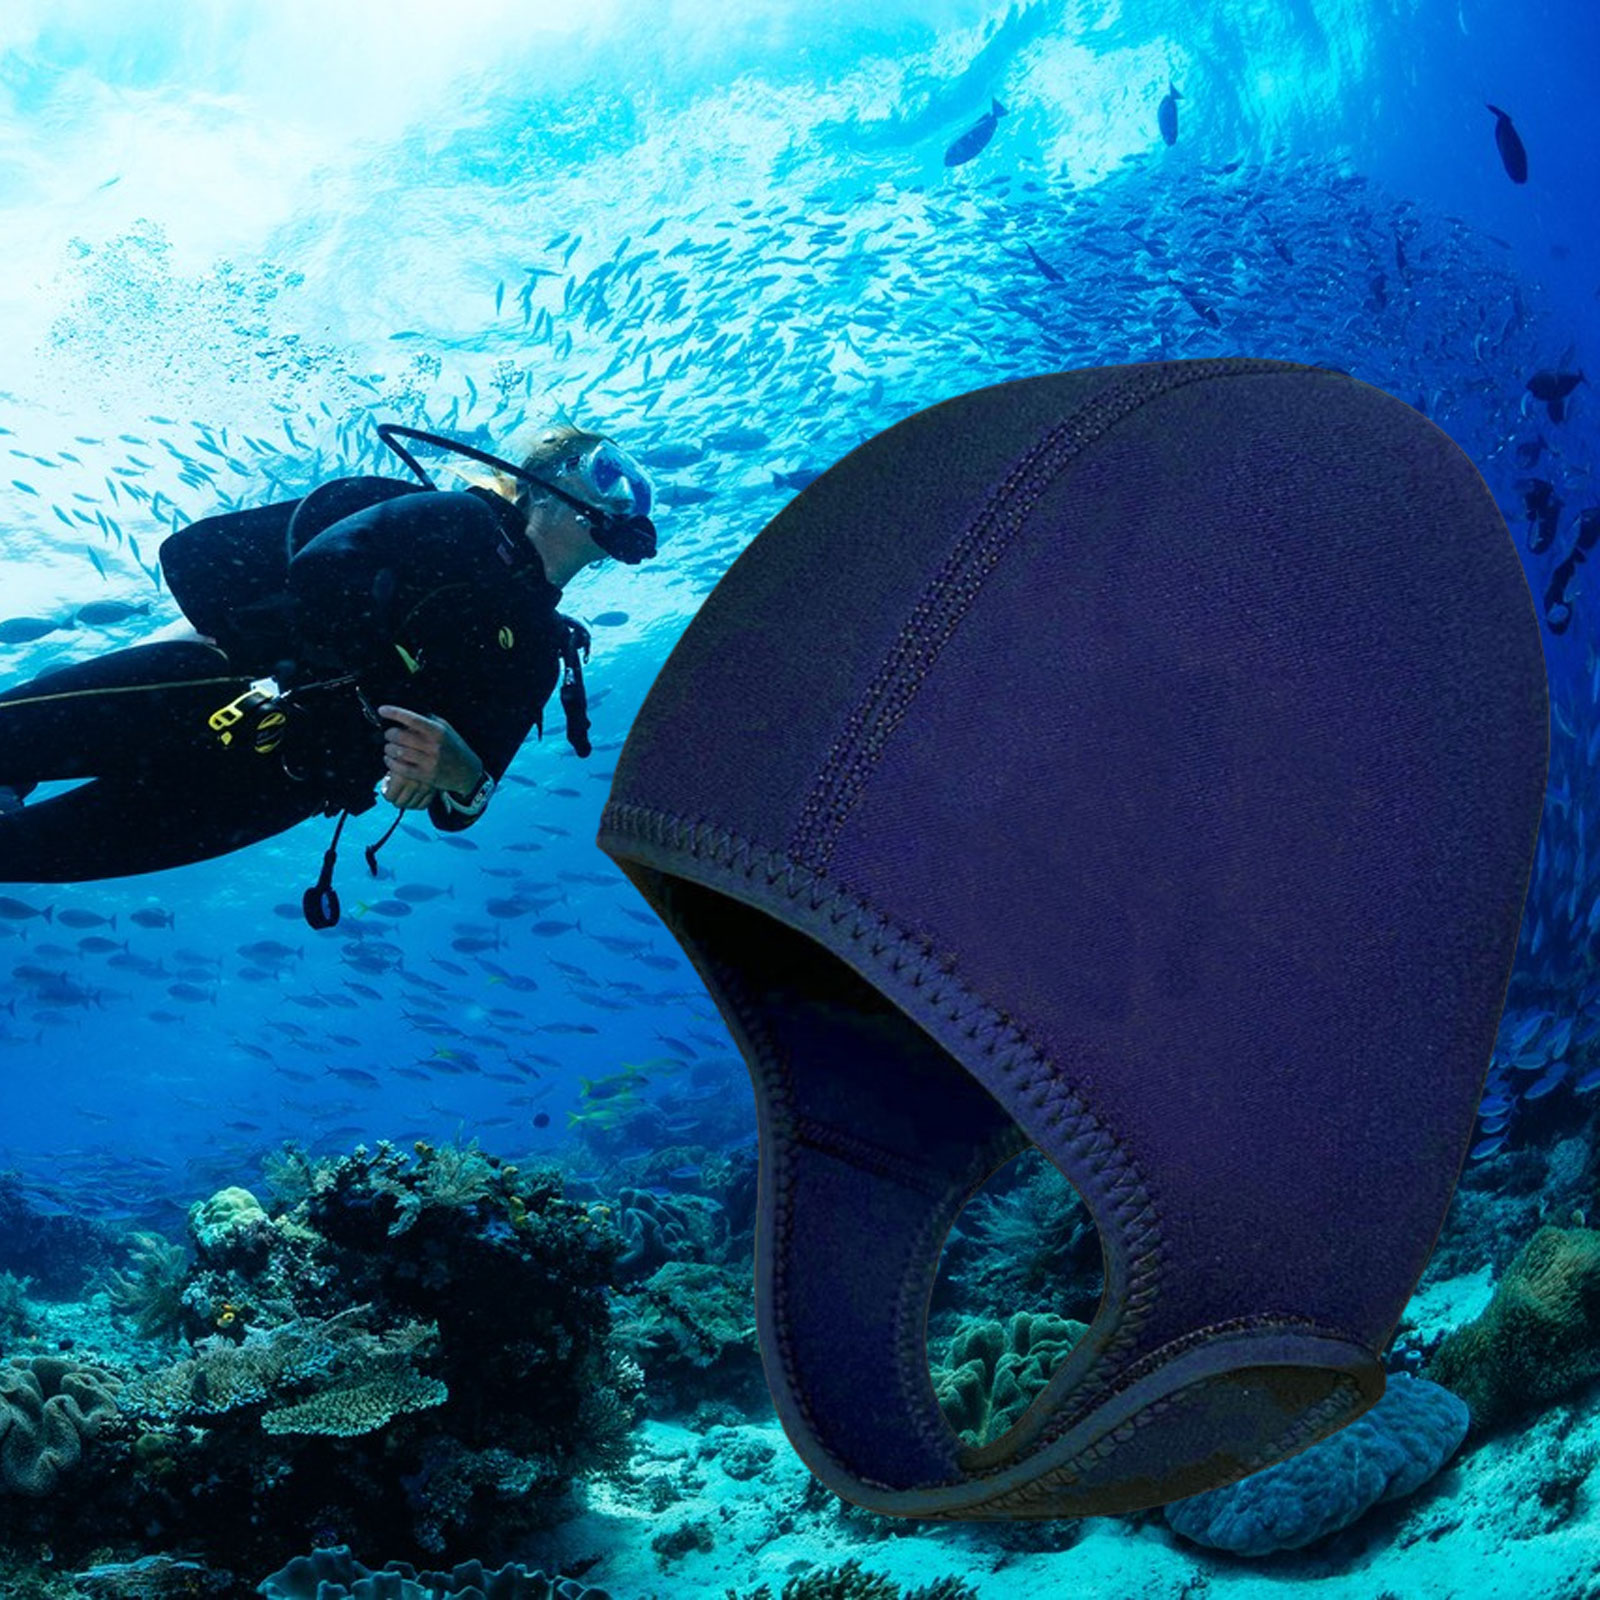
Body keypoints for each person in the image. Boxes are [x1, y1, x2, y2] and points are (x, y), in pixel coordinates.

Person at [0, 421, 656, 922]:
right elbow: (322, 566)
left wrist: (461, 777)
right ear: (542, 481)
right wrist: (396, 704)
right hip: (213, 687)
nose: (628, 498)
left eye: (637, 491)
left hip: (273, 791)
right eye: (606, 473)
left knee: (19, 852)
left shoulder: (541, 653)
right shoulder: (458, 522)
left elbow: (460, 806)